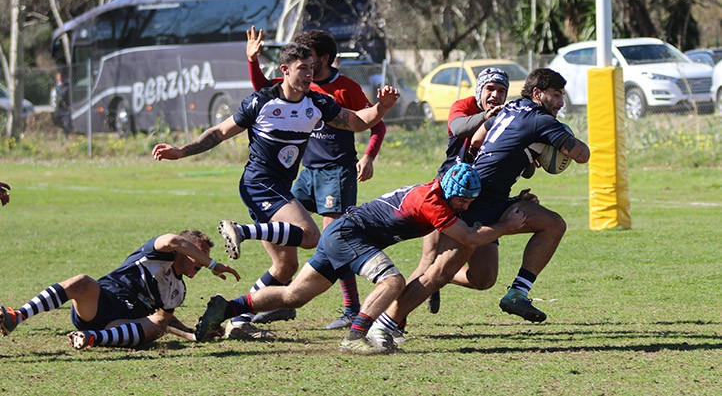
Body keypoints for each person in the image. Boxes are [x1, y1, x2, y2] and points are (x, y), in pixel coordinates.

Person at [152, 43, 399, 339]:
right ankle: (242, 231)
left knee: (285, 267)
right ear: (284, 70)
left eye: (311, 68)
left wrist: (381, 108)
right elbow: (219, 132)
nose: (309, 74)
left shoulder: (317, 104)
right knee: (310, 236)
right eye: (302, 69)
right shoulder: (261, 102)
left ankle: (237, 319)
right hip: (259, 183)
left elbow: (357, 121)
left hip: (279, 187)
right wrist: (181, 150)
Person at [198, 163, 527, 354]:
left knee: (292, 296)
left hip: (342, 233)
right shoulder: (433, 201)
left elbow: (467, 227)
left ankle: (224, 308)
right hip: (349, 235)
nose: (467, 206)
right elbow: (469, 237)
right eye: (463, 201)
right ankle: (356, 337)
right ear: (449, 191)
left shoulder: (439, 193)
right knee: (393, 281)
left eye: (471, 201)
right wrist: (507, 225)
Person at [369, 68, 590, 345]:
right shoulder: (542, 120)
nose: (560, 102)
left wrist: (521, 155)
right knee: (438, 271)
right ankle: (383, 324)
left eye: (562, 96)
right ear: (537, 94)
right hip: (474, 202)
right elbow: (582, 155)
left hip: (492, 198)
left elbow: (475, 140)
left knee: (495, 268)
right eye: (556, 95)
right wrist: (559, 138)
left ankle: (517, 294)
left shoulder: (510, 108)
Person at [242, 27, 386, 331]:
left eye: (310, 59)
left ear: (324, 58)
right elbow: (264, 93)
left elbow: (374, 123)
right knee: (284, 235)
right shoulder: (298, 85)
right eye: (301, 61)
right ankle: (279, 302)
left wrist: (369, 156)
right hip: (307, 172)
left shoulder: (345, 87)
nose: (306, 65)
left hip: (336, 171)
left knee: (334, 240)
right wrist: (252, 61)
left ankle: (351, 308)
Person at [0, 230, 240, 349]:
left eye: (204, 256)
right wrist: (212, 264)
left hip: (123, 325)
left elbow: (165, 321)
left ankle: (91, 339)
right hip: (99, 302)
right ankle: (17, 316)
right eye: (197, 253)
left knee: (157, 324)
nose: (200, 260)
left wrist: (193, 334)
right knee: (82, 281)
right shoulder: (156, 252)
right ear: (183, 250)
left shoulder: (177, 291)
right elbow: (172, 240)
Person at [424, 67, 511, 314]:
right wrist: (488, 117)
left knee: (484, 279)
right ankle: (392, 322)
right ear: (479, 91)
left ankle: (442, 277)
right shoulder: (463, 106)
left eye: (501, 91)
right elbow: (459, 128)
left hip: (483, 198)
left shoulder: (509, 117)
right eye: (490, 89)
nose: (495, 95)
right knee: (428, 260)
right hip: (447, 191)